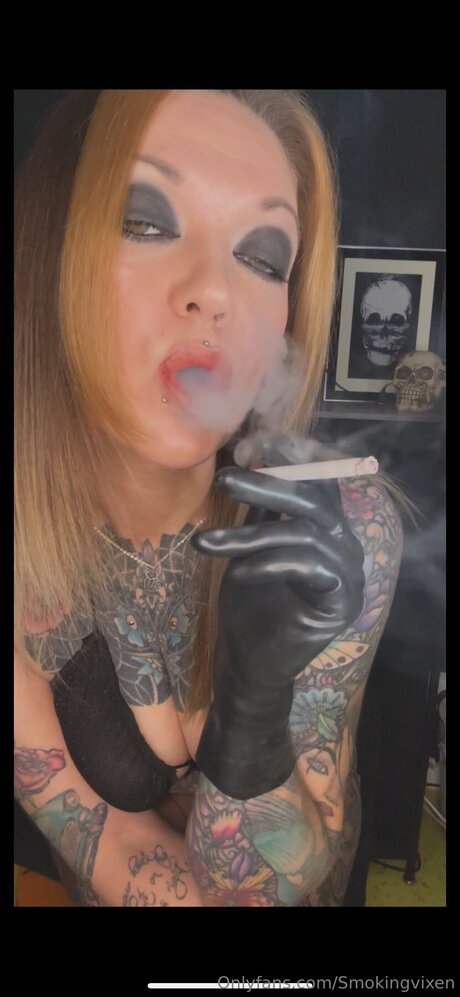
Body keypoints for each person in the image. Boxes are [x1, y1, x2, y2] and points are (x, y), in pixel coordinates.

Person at [14, 89, 403, 907]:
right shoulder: (23, 535)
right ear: (52, 251)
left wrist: (254, 707)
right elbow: (105, 838)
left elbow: (291, 872)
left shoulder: (343, 528)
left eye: (262, 259)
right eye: (146, 221)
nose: (215, 292)